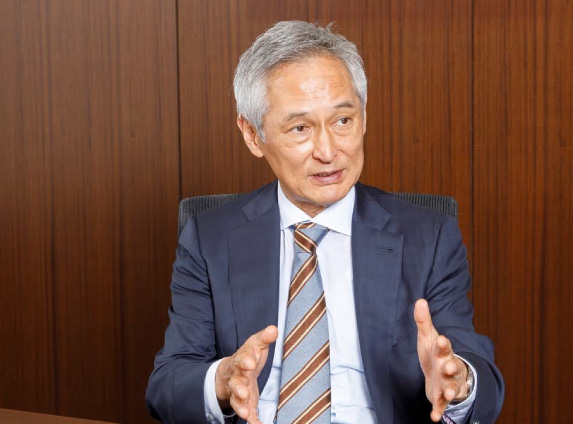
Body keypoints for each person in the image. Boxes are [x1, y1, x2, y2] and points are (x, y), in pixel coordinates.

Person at [146, 21, 504, 424]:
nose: (328, 151)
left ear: (363, 117)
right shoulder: (209, 238)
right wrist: (222, 381)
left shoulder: (429, 237)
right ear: (252, 135)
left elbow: (481, 381)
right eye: (300, 128)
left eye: (342, 121)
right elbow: (167, 387)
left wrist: (460, 384)